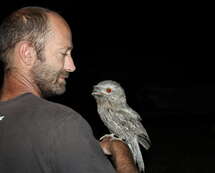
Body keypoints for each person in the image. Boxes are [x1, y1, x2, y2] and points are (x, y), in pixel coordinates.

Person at [0, 6, 138, 173]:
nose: (71, 66)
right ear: (28, 53)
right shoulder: (62, 124)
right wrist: (121, 151)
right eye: (63, 53)